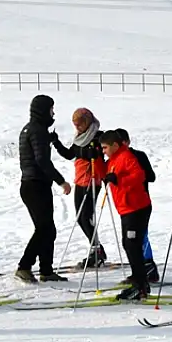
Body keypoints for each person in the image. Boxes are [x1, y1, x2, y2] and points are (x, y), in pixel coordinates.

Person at [16, 95, 72, 283]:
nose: (53, 113)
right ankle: (24, 266)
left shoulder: (30, 129)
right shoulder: (37, 130)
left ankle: (46, 271)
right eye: (51, 109)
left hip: (32, 184)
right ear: (42, 110)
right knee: (44, 229)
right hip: (35, 185)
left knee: (48, 229)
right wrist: (61, 181)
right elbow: (41, 160)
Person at [100, 129, 153, 301]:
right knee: (128, 244)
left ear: (115, 145)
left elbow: (140, 175)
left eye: (105, 148)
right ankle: (140, 282)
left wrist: (119, 180)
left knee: (132, 245)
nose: (104, 151)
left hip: (136, 208)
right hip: (126, 208)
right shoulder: (113, 159)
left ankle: (140, 285)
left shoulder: (127, 156)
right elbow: (105, 173)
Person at [51, 107, 107, 269]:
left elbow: (99, 153)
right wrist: (56, 142)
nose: (77, 127)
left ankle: (96, 251)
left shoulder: (97, 136)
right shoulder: (80, 138)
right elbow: (70, 154)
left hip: (93, 179)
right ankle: (97, 248)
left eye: (80, 124)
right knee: (80, 217)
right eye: (75, 124)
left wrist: (91, 153)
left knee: (86, 216)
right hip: (80, 180)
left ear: (88, 121)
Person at [115, 128, 159, 283]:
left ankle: (149, 267)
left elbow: (151, 176)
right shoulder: (116, 158)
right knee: (130, 241)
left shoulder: (138, 155)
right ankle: (140, 270)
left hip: (140, 202)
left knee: (141, 237)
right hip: (126, 204)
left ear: (127, 142)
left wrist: (133, 176)